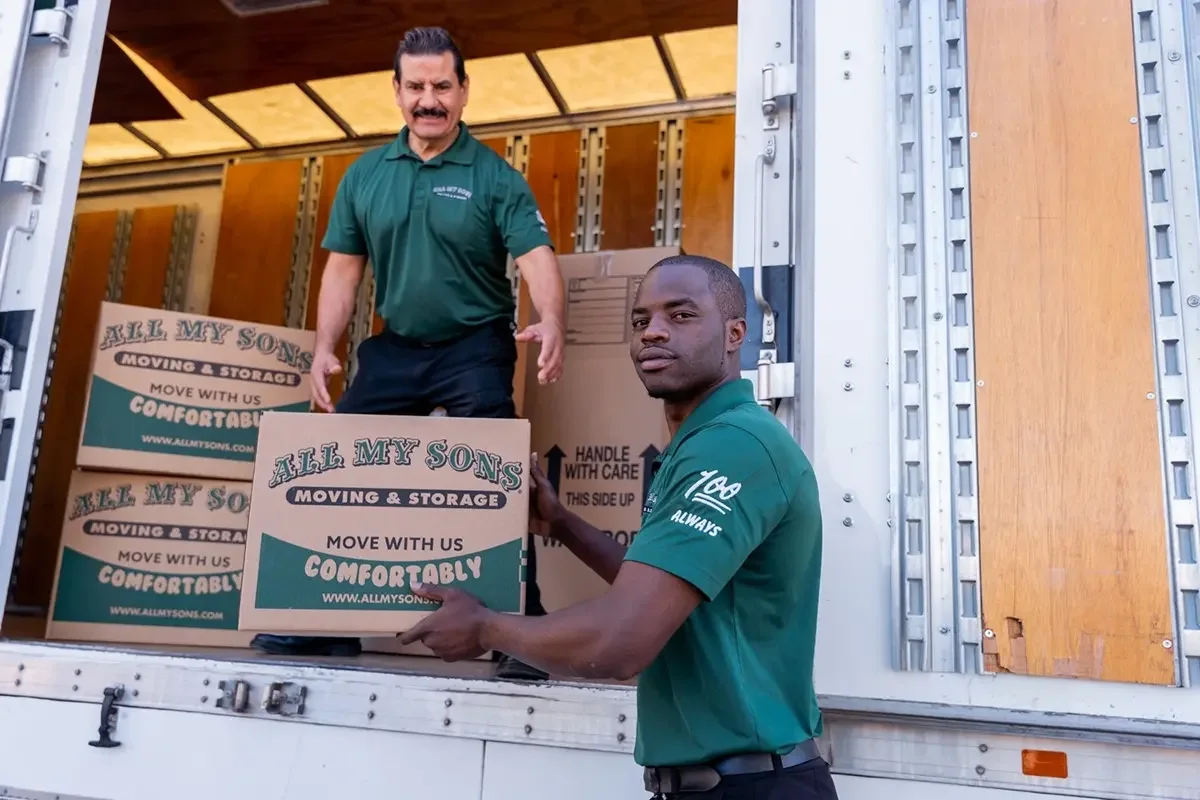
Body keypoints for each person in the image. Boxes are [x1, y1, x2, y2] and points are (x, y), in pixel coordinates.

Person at [399, 254, 839, 799]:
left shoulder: (733, 445)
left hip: (753, 786)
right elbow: (656, 588)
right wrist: (563, 525)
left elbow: (620, 640)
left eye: (680, 315)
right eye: (640, 320)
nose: (652, 331)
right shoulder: (702, 442)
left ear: (735, 334)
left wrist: (486, 628)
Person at [249, 26, 565, 683]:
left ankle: (522, 632)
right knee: (339, 462)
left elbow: (536, 256)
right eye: (416, 87)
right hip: (396, 347)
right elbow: (343, 269)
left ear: (464, 91)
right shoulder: (366, 175)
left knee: (497, 475)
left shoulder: (493, 177)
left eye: (442, 86)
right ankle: (323, 624)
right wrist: (324, 348)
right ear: (396, 92)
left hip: (474, 344)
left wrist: (553, 319)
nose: (429, 100)